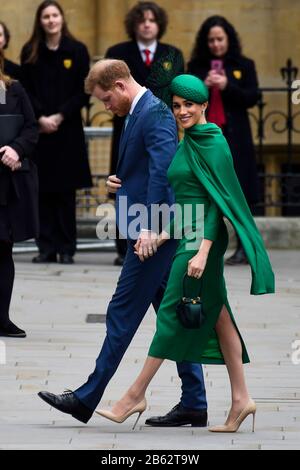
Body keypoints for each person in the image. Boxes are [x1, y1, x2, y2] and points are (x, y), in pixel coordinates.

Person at [96, 75, 275, 433]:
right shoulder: (188, 141)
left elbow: (215, 204)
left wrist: (204, 252)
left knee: (170, 316)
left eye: (189, 105)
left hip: (200, 245)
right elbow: (184, 202)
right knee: (221, 320)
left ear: (205, 105)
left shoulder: (213, 143)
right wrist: (160, 234)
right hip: (186, 236)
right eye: (176, 105)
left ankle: (134, 394)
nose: (181, 111)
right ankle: (242, 400)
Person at [38, 60, 208, 428]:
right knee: (174, 315)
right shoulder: (138, 111)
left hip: (152, 236)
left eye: (104, 99)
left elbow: (164, 175)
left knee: (121, 312)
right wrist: (121, 182)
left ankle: (86, 397)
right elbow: (147, 168)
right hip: (146, 229)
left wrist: (150, 229)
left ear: (118, 85)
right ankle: (195, 401)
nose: (105, 107)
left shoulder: (156, 113)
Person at [106, 1, 184, 266]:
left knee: (157, 176)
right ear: (134, 25)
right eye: (142, 20)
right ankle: (125, 243)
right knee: (126, 180)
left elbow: (178, 92)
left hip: (161, 126)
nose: (147, 24)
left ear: (159, 24)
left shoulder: (172, 54)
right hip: (127, 128)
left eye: (152, 20)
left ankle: (154, 235)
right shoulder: (118, 52)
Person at [20, 0, 92, 265]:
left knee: (65, 193)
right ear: (40, 21)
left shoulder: (77, 50)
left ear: (62, 19)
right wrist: (40, 117)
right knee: (43, 191)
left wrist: (60, 116)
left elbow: (84, 90)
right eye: (46, 16)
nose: (51, 20)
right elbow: (25, 90)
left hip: (68, 130)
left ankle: (67, 248)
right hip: (40, 131)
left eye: (55, 15)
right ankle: (46, 247)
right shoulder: (31, 51)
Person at [188, 16, 260, 265]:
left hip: (235, 138)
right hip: (206, 139)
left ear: (228, 39)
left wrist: (228, 85)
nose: (216, 44)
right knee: (205, 192)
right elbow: (186, 100)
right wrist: (203, 87)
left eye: (220, 39)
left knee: (239, 193)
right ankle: (202, 247)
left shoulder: (244, 64)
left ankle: (244, 248)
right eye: (211, 40)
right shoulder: (196, 66)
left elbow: (253, 96)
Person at [0, 50, 39, 338]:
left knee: (3, 249)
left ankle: (2, 318)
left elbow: (30, 127)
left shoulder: (12, 88)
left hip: (6, 184)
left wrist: (16, 148)